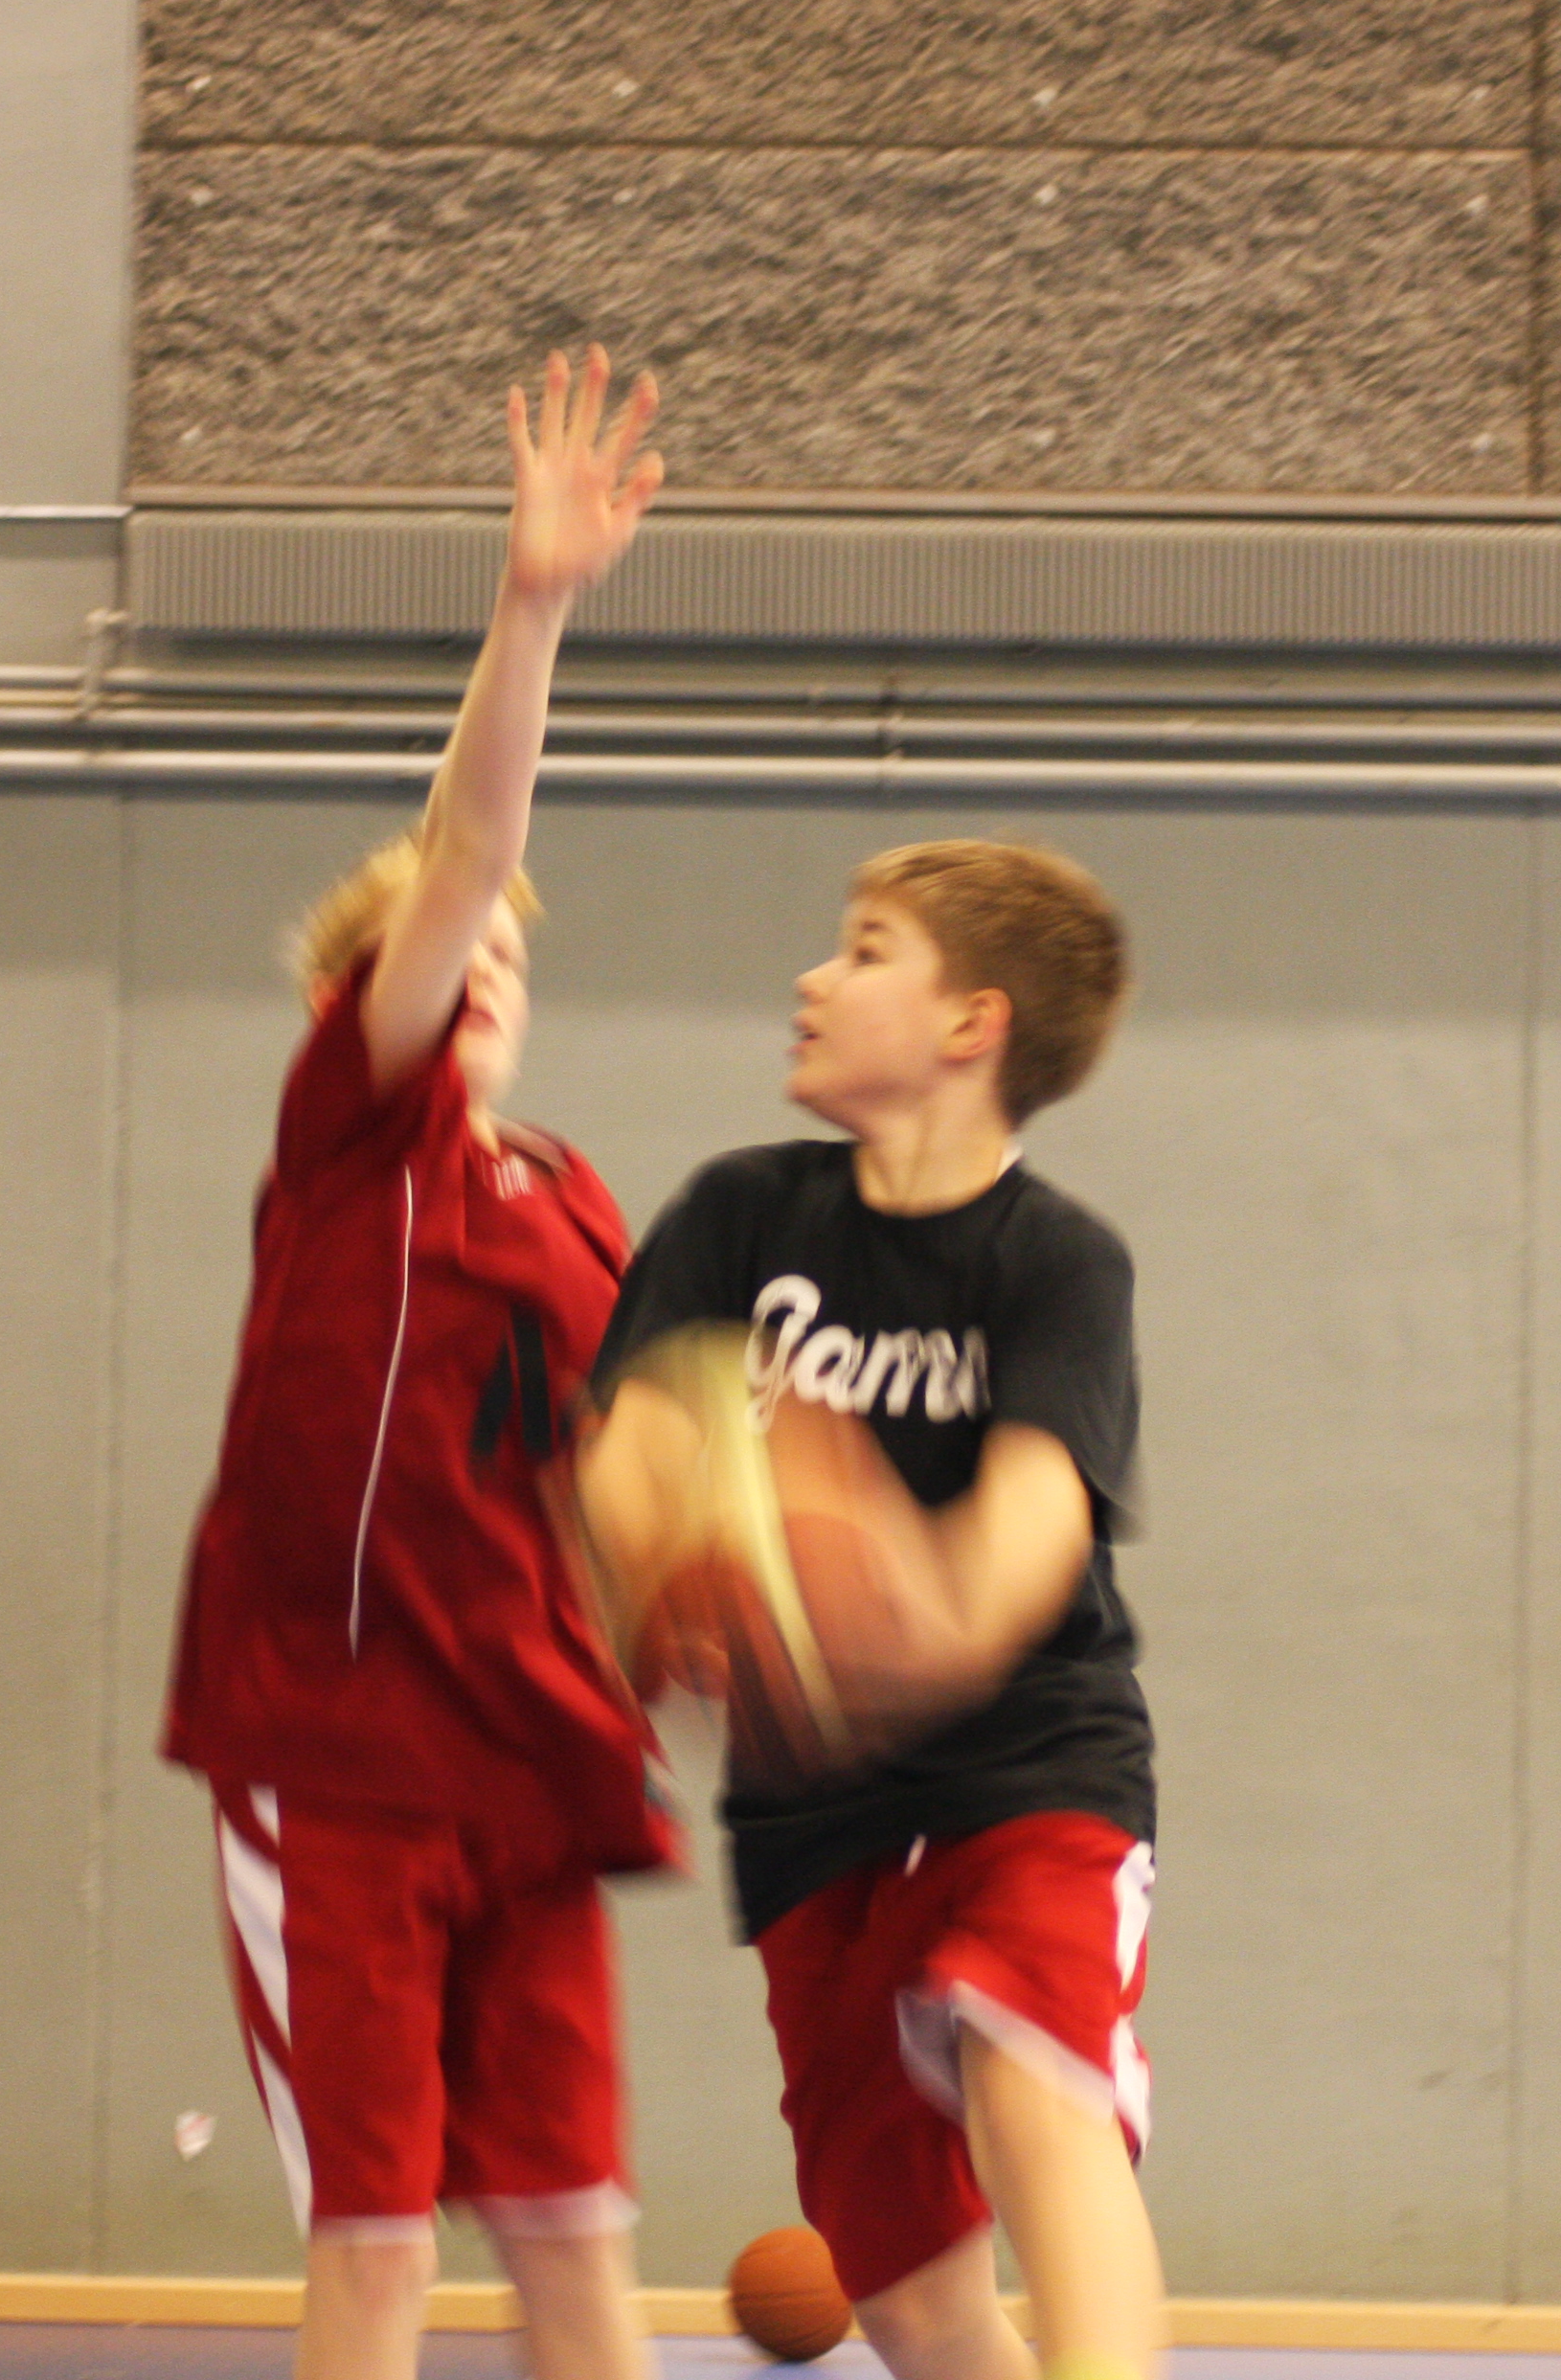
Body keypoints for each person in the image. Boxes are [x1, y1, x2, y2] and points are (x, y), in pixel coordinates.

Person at [160, 349, 665, 2380]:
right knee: (378, 2251)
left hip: (533, 1764)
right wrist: (532, 605)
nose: (484, 975)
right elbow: (463, 854)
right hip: (344, 1760)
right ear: (354, 997)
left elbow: (615, 1479)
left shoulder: (572, 1199)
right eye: (456, 954)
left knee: (577, 2242)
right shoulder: (350, 1140)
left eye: (512, 961)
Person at [580, 839, 1164, 2380]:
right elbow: (629, 1466)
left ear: (973, 1023)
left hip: (1030, 1777)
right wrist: (680, 1567)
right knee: (907, 2297)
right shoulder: (737, 1217)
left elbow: (1023, 1545)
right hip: (812, 1820)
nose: (814, 978)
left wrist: (885, 1596)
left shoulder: (1058, 1261)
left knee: (1030, 2074)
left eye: (865, 948)